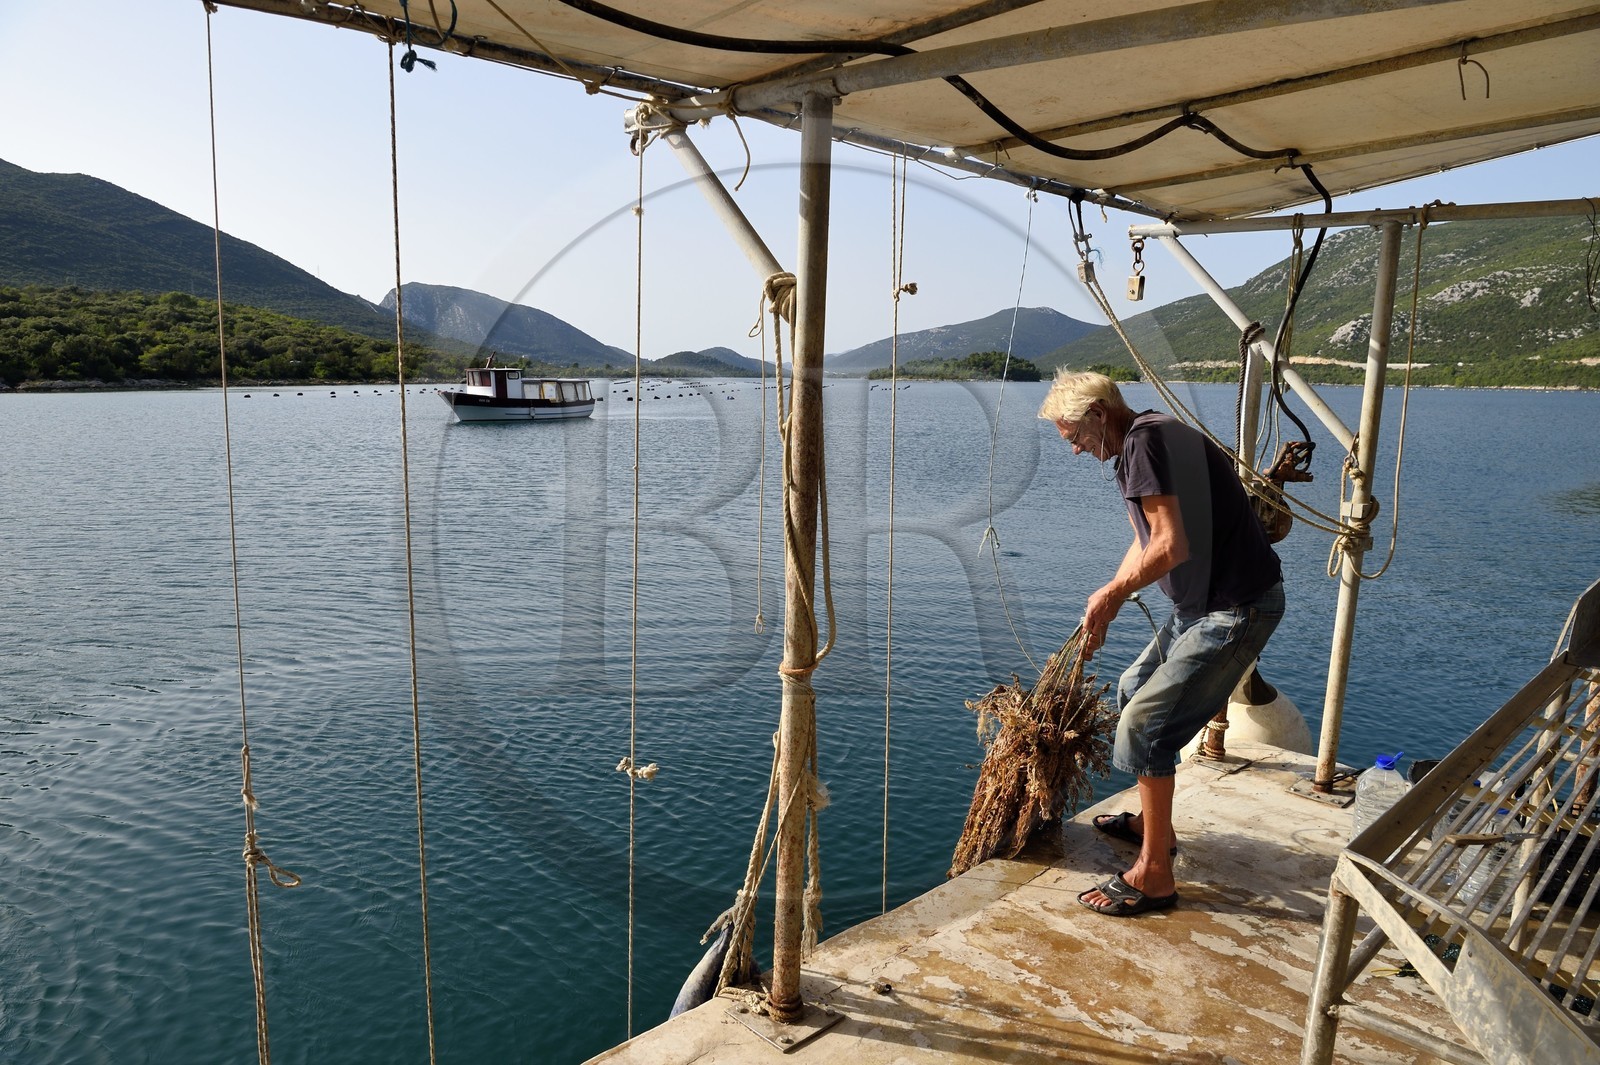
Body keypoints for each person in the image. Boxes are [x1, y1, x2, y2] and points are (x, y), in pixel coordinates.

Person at [1038, 370, 1285, 917]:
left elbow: (1170, 547)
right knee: (1134, 686)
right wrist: (1109, 602)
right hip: (1201, 607)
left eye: (1075, 438)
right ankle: (1157, 828)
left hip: (1234, 609)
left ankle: (1154, 875)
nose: (1077, 452)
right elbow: (1146, 539)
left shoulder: (1144, 443)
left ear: (1099, 413)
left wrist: (1110, 593)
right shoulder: (1146, 437)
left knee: (1147, 726)